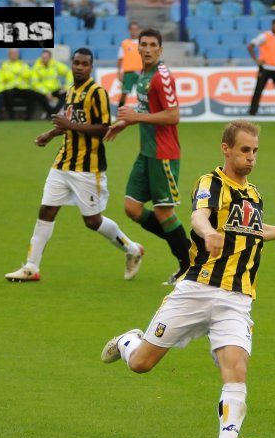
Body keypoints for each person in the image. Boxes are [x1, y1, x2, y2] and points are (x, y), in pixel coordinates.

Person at [101, 120, 275, 438]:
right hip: (197, 290)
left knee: (237, 370)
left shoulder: (254, 195)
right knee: (141, 364)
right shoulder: (210, 183)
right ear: (226, 148)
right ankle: (126, 341)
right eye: (244, 150)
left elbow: (252, 231)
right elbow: (198, 216)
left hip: (238, 299)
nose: (251, 157)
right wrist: (208, 232)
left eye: (255, 151)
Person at [5, 48, 144, 283]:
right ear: (72, 64)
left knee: (92, 221)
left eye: (84, 64)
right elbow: (70, 122)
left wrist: (69, 125)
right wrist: (51, 134)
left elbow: (102, 128)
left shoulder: (97, 92)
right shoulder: (71, 91)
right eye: (76, 63)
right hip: (62, 163)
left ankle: (132, 249)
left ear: (91, 67)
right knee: (46, 210)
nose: (79, 67)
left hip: (88, 168)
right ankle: (31, 267)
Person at [105, 28, 190, 285]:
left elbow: (173, 115)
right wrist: (126, 123)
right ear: (138, 48)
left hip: (164, 154)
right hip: (147, 153)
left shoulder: (162, 77)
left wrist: (136, 117)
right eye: (145, 44)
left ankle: (188, 263)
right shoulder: (143, 74)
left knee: (164, 214)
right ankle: (186, 246)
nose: (149, 49)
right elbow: (146, 109)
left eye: (154, 44)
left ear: (160, 50)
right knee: (132, 209)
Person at [247, 18, 275, 117]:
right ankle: (252, 112)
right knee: (258, 90)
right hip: (265, 68)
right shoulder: (264, 36)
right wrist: (256, 60)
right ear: (273, 25)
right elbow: (250, 46)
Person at [31, 50, 72, 117]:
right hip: (43, 91)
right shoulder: (36, 67)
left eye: (46, 58)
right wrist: (46, 92)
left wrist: (66, 87)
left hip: (55, 89)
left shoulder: (55, 64)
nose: (44, 59)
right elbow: (34, 83)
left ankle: (53, 112)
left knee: (66, 94)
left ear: (50, 58)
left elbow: (69, 73)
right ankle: (50, 113)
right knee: (37, 95)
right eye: (43, 58)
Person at [0, 49, 35, 120]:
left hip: (22, 87)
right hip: (10, 88)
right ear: (9, 55)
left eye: (15, 53)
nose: (14, 55)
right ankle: (11, 116)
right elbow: (4, 76)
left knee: (32, 94)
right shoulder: (5, 65)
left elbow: (28, 74)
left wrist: (14, 74)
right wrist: (19, 74)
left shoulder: (23, 64)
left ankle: (28, 117)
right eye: (12, 54)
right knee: (6, 95)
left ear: (18, 55)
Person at [117, 21, 142, 108]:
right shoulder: (124, 43)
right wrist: (119, 72)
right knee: (124, 93)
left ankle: (146, 111)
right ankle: (119, 111)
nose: (134, 31)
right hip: (128, 73)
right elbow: (120, 59)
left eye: (136, 29)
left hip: (141, 72)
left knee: (144, 93)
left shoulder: (143, 43)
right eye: (132, 29)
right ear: (129, 30)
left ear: (139, 30)